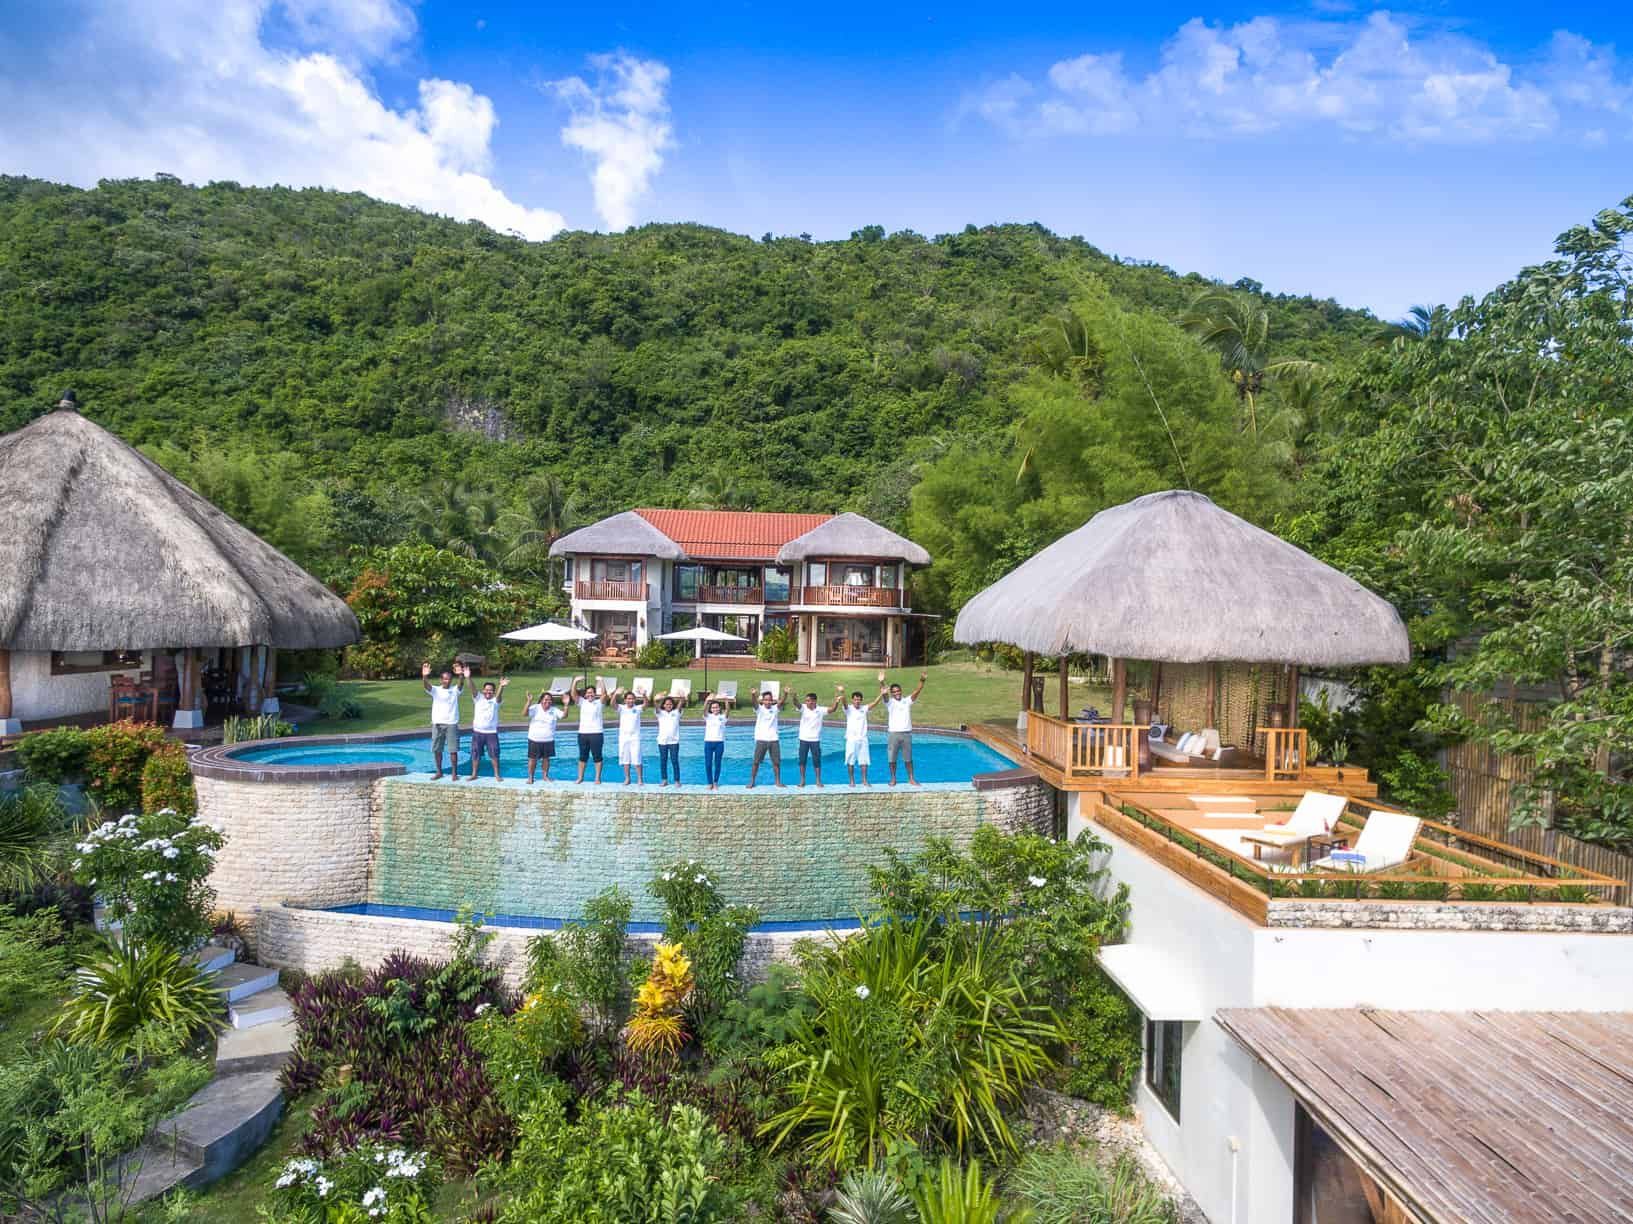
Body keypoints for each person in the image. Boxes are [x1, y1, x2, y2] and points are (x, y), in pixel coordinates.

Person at [879, 670, 928, 787]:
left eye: (898, 690)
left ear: (901, 691)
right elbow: (884, 693)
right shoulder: (889, 702)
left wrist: (922, 679)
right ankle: (893, 779)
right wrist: (881, 682)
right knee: (892, 759)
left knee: (908, 758)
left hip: (906, 734)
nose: (897, 693)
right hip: (894, 734)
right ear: (892, 693)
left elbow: (917, 691)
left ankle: (911, 779)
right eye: (894, 691)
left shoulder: (907, 701)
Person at [421, 661, 466, 780]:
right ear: (441, 680)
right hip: (437, 724)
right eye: (445, 679)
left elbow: (461, 684)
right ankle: (439, 772)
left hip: (451, 724)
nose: (447, 681)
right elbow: (427, 686)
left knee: (453, 750)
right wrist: (424, 676)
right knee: (437, 750)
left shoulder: (455, 690)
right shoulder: (436, 690)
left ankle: (454, 774)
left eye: (449, 679)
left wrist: (461, 674)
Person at [837, 682, 883, 787]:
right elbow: (843, 702)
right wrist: (842, 692)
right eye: (855, 699)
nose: (857, 701)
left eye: (859, 699)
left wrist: (881, 694)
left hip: (863, 739)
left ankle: (864, 780)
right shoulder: (848, 709)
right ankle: (852, 781)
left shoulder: (864, 708)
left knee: (864, 761)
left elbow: (874, 703)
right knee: (850, 760)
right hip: (851, 739)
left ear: (861, 700)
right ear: (852, 700)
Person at [568, 681, 614, 784]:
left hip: (596, 733)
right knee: (582, 757)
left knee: (597, 756)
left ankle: (597, 778)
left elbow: (604, 695)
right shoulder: (581, 702)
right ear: (585, 695)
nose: (590, 694)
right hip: (583, 734)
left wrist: (602, 681)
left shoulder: (599, 703)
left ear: (595, 694)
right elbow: (573, 694)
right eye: (588, 693)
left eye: (592, 692)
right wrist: (575, 681)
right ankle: (580, 777)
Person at [746, 687, 790, 789]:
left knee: (776, 762)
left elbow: (782, 702)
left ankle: (778, 782)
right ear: (762, 700)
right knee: (756, 762)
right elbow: (754, 703)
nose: (768, 701)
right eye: (765, 699)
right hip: (761, 739)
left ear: (772, 700)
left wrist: (785, 693)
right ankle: (752, 781)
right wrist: (753, 694)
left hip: (774, 739)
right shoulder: (759, 709)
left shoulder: (775, 709)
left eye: (769, 700)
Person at [468, 676, 509, 781]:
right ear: (483, 690)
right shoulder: (478, 699)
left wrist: (501, 686)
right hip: (478, 732)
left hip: (491, 733)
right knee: (475, 753)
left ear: (493, 692)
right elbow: (472, 689)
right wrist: (468, 677)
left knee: (494, 754)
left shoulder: (495, 702)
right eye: (486, 690)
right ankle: (474, 774)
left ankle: (496, 774)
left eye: (490, 690)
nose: (488, 692)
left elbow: (499, 696)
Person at [521, 689, 563, 783]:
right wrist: (528, 702)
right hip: (534, 739)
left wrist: (566, 705)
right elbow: (524, 714)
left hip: (548, 739)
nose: (547, 701)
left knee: (546, 759)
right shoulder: (536, 707)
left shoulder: (554, 710)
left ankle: (545, 776)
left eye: (549, 700)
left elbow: (564, 716)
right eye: (545, 699)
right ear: (541, 700)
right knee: (532, 759)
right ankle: (531, 777)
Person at [795, 691, 827, 788]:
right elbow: (797, 704)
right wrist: (794, 697)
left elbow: (832, 709)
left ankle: (818, 780)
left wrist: (837, 701)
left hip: (815, 740)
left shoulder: (820, 710)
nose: (806, 702)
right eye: (806, 701)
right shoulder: (803, 708)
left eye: (808, 701)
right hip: (803, 739)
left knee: (816, 761)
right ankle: (802, 780)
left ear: (814, 701)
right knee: (802, 760)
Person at [617, 689, 648, 786]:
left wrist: (644, 695)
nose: (630, 700)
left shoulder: (637, 708)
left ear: (634, 700)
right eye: (628, 699)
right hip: (624, 737)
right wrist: (615, 694)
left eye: (632, 699)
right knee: (625, 759)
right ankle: (627, 778)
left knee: (637, 758)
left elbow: (646, 704)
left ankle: (640, 779)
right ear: (625, 700)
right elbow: (613, 703)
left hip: (635, 737)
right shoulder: (621, 708)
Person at [700, 695, 728, 790]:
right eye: (713, 707)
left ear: (719, 708)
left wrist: (726, 700)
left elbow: (728, 710)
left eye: (716, 707)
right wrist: (707, 701)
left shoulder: (723, 717)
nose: (715, 709)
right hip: (708, 742)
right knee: (708, 763)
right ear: (711, 709)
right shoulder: (708, 716)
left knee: (717, 763)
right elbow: (704, 710)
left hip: (719, 743)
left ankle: (715, 782)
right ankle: (709, 782)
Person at [654, 695, 683, 786]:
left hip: (674, 741)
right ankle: (664, 780)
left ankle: (677, 780)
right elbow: (656, 705)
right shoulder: (660, 713)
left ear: (673, 705)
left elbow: (681, 702)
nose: (668, 705)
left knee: (674, 760)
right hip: (662, 741)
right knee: (663, 761)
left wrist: (681, 696)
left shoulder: (676, 712)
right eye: (666, 704)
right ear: (663, 705)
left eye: (670, 704)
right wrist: (658, 699)